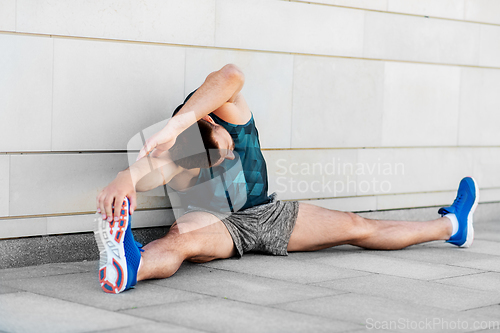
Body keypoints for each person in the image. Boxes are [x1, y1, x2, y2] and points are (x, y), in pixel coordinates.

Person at [94, 64, 479, 294]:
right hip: (218, 224)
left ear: (211, 117)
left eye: (227, 148)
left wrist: (178, 124)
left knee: (358, 227)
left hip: (269, 214)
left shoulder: (221, 111)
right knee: (178, 240)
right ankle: (129, 267)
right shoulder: (181, 151)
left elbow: (231, 74)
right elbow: (152, 171)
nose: (229, 156)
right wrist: (124, 180)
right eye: (219, 156)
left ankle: (452, 225)